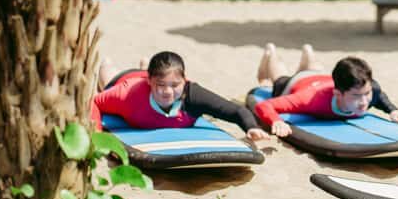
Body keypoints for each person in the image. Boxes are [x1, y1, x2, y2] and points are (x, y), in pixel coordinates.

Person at [92, 51, 269, 141]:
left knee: (162, 74)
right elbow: (94, 102)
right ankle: (111, 64)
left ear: (184, 80)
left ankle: (146, 64)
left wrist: (251, 127)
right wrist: (96, 132)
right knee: (107, 75)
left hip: (153, 73)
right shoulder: (126, 94)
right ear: (150, 82)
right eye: (161, 86)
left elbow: (235, 110)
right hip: (126, 78)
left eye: (175, 85)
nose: (168, 91)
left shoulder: (193, 95)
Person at [253, 43, 398, 137]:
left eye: (366, 94)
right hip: (300, 83)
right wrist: (276, 121)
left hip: (321, 75)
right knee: (279, 79)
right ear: (338, 94)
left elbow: (379, 95)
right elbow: (264, 106)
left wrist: (393, 110)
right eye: (356, 96)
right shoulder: (309, 100)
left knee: (315, 68)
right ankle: (271, 53)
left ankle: (308, 54)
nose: (364, 102)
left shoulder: (371, 90)